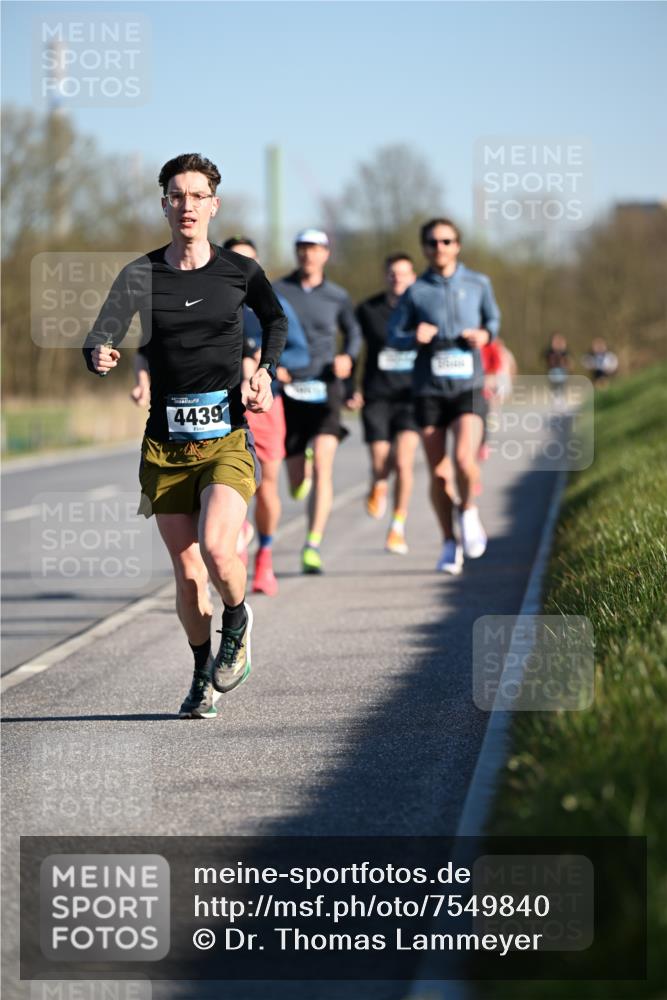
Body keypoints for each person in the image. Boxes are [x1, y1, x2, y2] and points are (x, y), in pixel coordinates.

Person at [83, 153, 287, 718]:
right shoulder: (140, 274)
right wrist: (99, 354)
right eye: (177, 196)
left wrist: (265, 371)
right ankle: (202, 674)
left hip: (226, 437)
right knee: (189, 573)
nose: (187, 205)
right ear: (164, 204)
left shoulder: (239, 272)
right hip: (165, 446)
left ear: (213, 205)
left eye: (197, 196)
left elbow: (275, 320)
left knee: (220, 550)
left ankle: (238, 623)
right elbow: (102, 333)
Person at [388, 218, 501, 574]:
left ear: (457, 245)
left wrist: (484, 335)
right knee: (438, 475)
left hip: (468, 387)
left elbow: (493, 322)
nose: (440, 247)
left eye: (447, 241)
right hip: (429, 391)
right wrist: (413, 337)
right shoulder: (416, 291)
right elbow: (394, 335)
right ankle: (449, 542)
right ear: (424, 248)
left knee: (465, 460)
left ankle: (468, 510)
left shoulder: (478, 283)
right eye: (433, 242)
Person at [222, 235, 310, 596]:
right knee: (227, 484)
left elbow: (301, 353)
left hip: (265, 405)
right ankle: (237, 547)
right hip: (222, 407)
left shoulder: (274, 304)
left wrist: (273, 365)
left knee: (267, 485)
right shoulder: (209, 302)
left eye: (248, 262)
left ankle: (265, 558)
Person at [273, 229, 362, 574]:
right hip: (290, 389)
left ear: (326, 253)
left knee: (324, 465)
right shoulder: (278, 291)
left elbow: (353, 333)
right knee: (296, 483)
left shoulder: (337, 296)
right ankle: (301, 470)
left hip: (326, 388)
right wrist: (273, 365)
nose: (308, 255)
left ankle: (312, 544)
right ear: (296, 253)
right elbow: (262, 329)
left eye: (315, 249)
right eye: (302, 249)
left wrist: (348, 358)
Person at [354, 253, 419, 554]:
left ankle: (397, 528)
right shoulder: (368, 309)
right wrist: (350, 387)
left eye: (404, 273)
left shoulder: (422, 309)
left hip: (412, 397)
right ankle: (378, 483)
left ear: (413, 277)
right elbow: (354, 350)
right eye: (393, 273)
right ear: (385, 276)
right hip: (377, 395)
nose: (398, 278)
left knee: (404, 462)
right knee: (381, 464)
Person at [544, 332, 572, 402]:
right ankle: (555, 400)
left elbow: (569, 361)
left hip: (562, 371)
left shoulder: (565, 352)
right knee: (554, 387)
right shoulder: (549, 351)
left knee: (562, 386)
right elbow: (545, 359)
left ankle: (561, 400)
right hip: (553, 371)